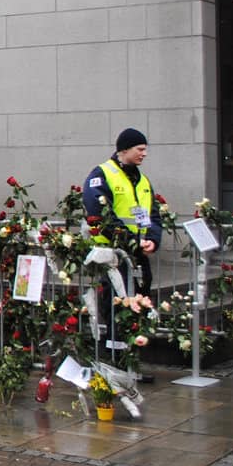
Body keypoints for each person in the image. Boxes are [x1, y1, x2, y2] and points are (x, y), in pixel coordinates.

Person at [84, 128, 162, 358]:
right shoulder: (103, 174)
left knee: (139, 303)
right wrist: (130, 241)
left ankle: (131, 360)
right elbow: (99, 213)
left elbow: (153, 216)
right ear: (124, 149)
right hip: (113, 256)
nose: (144, 154)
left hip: (137, 255)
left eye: (145, 149)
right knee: (115, 306)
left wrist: (153, 240)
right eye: (140, 149)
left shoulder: (142, 180)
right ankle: (114, 360)